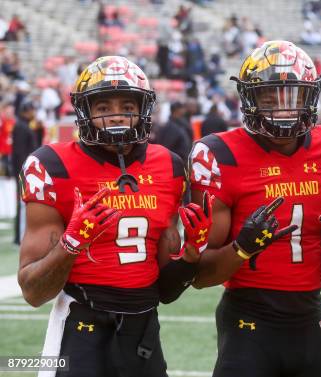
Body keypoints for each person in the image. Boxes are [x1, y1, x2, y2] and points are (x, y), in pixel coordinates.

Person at [17, 56, 212, 377]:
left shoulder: (170, 166)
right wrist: (71, 243)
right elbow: (33, 293)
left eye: (126, 106)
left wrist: (190, 257)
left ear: (142, 110)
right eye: (103, 108)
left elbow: (165, 291)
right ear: (85, 111)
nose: (116, 116)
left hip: (143, 329)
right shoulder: (51, 164)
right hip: (81, 327)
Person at [188, 40, 321, 377]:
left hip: (310, 317)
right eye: (270, 98)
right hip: (248, 320)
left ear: (310, 98)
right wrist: (242, 249)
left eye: (293, 97)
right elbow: (199, 275)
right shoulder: (218, 154)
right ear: (249, 100)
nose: (283, 109)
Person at [11, 99, 40, 245]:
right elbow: (20, 152)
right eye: (31, 110)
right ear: (25, 111)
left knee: (23, 203)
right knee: (22, 203)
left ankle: (19, 236)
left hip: (24, 170)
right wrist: (24, 172)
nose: (33, 113)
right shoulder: (21, 127)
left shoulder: (24, 125)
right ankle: (19, 236)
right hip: (23, 171)